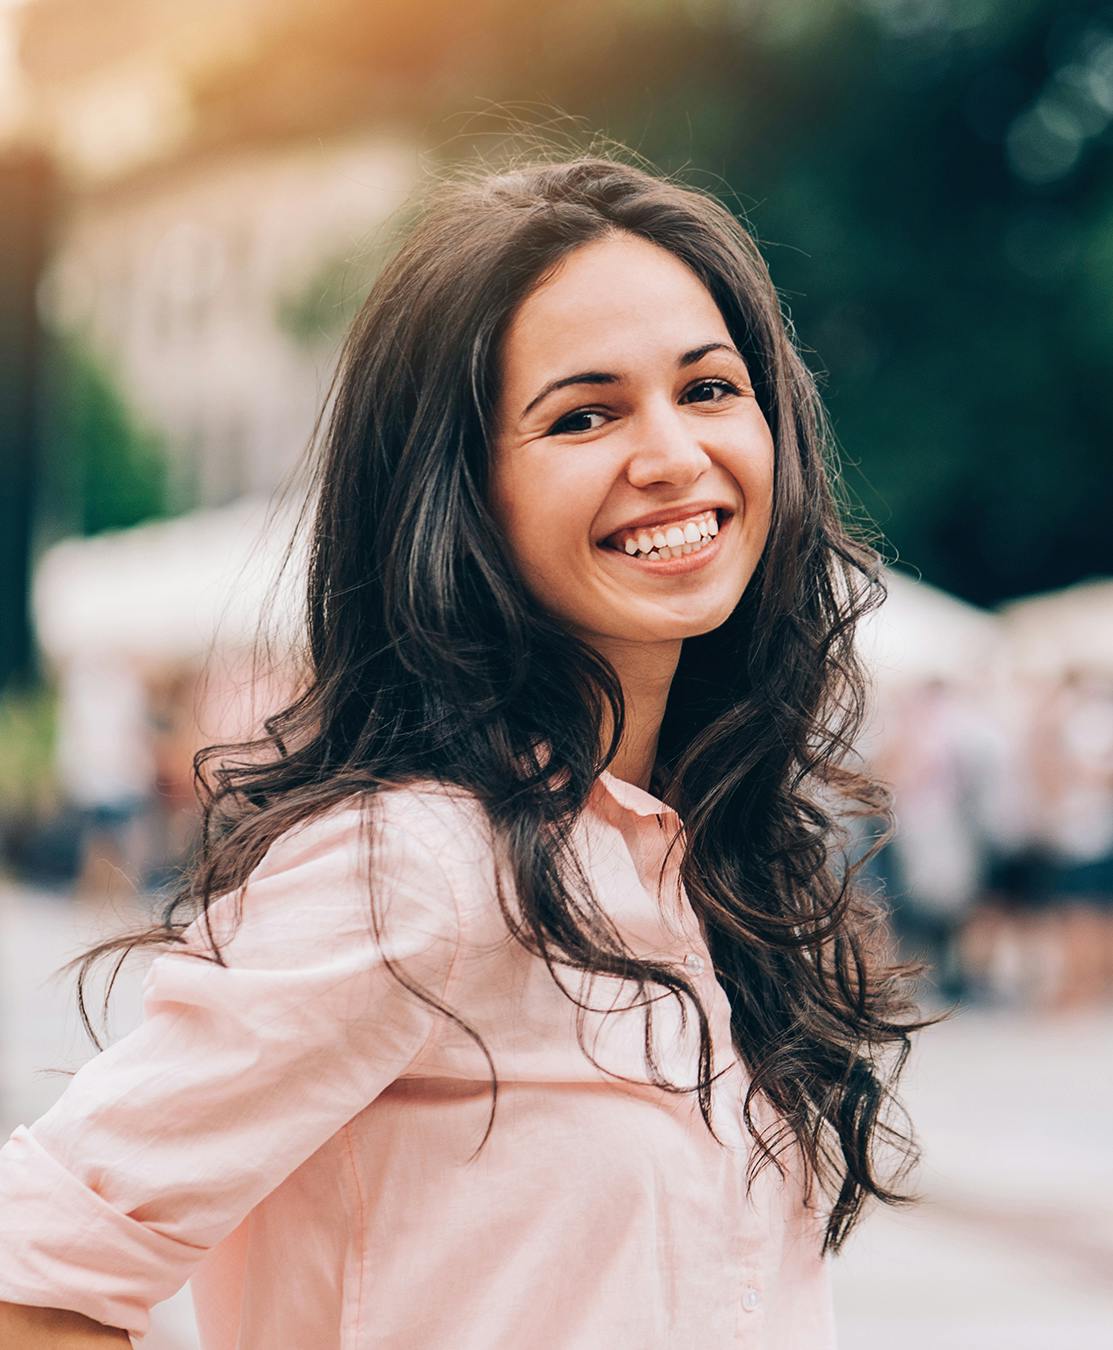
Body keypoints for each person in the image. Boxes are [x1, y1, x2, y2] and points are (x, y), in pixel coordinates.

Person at [0, 151, 937, 1349]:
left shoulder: (702, 858)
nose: (670, 454)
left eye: (708, 390)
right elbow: (35, 1279)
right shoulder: (415, 862)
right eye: (584, 415)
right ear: (460, 491)